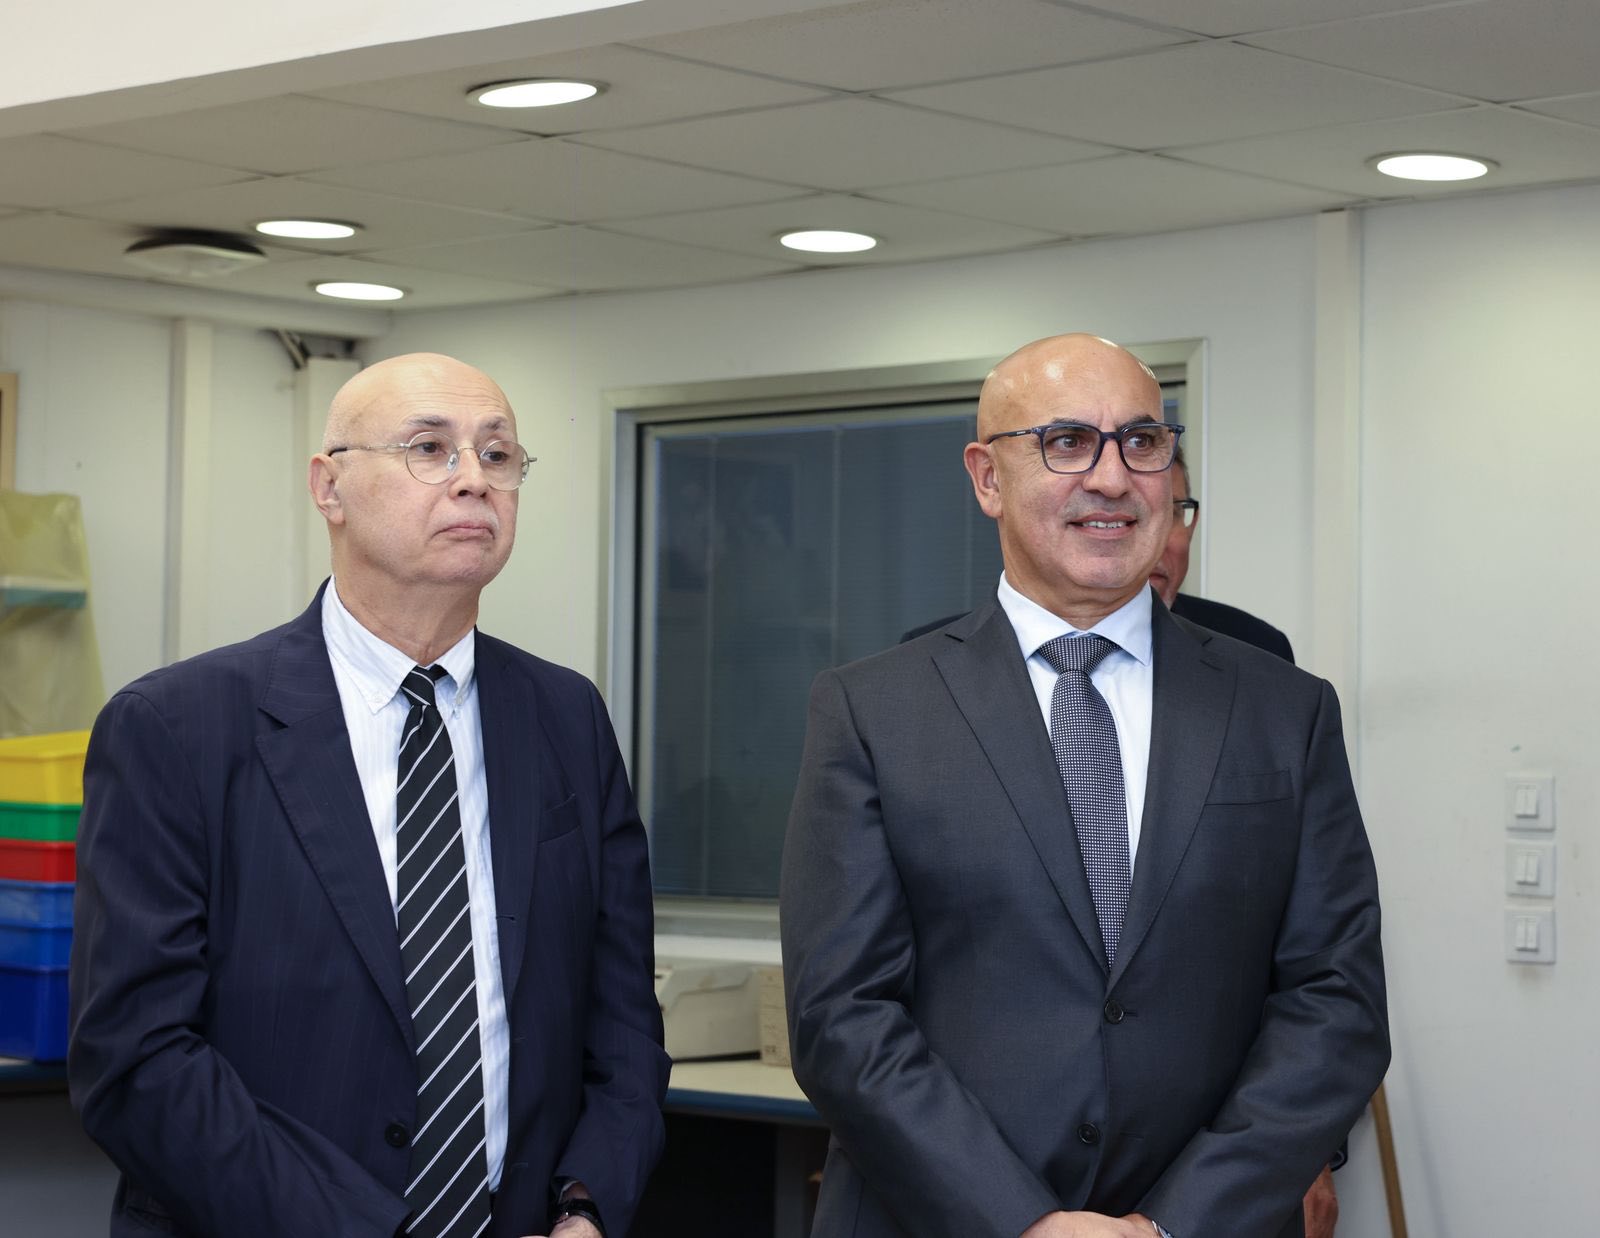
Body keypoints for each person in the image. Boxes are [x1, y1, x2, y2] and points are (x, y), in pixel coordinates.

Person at [781, 333, 1387, 1238]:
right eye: (1067, 442)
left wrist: (1170, 1225)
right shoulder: (873, 711)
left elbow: (1336, 999)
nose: (1111, 478)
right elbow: (841, 1016)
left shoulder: (1284, 710)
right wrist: (1025, 1221)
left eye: (1142, 442)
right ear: (987, 477)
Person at [70, 354, 668, 1238]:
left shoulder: (564, 715)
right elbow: (136, 1057)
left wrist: (587, 1208)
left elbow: (622, 1024)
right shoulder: (177, 725)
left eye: (497, 455)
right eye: (429, 448)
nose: (473, 480)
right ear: (330, 487)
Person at [1150, 447, 1293, 662]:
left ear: (1192, 526)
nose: (1154, 544)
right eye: (1130, 518)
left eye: (1171, 514)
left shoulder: (1260, 648)